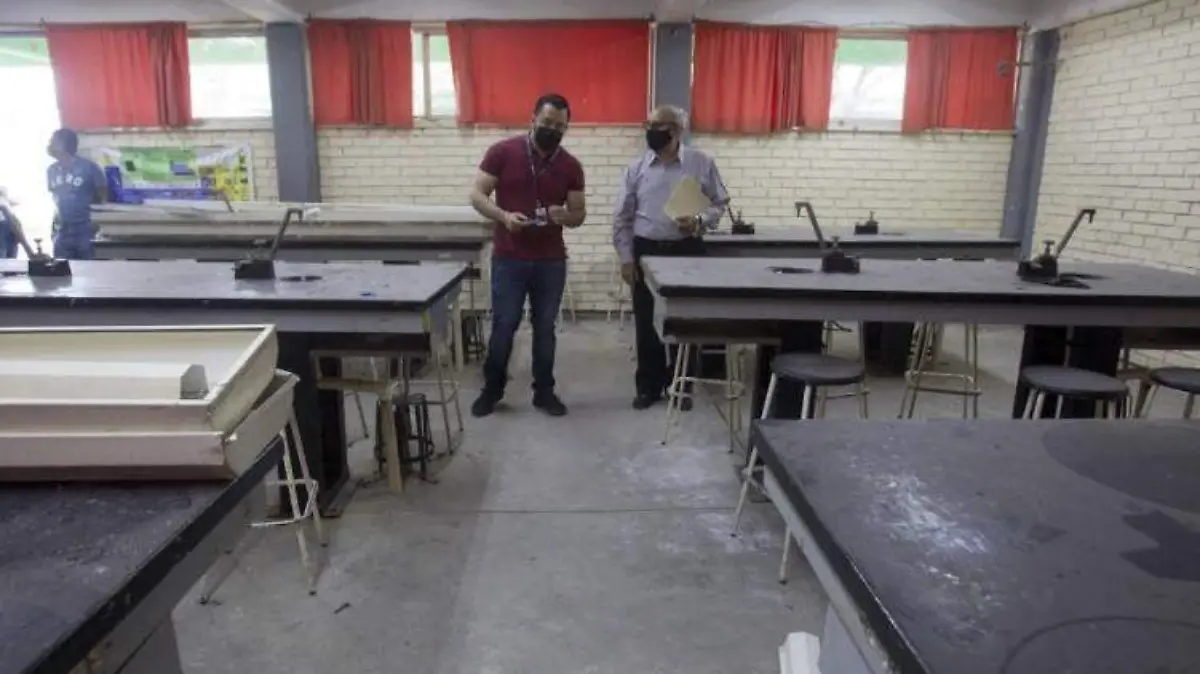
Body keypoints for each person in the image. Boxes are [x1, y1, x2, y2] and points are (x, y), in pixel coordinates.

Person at [468, 93, 587, 418]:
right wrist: (504, 216)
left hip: (551, 260)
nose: (552, 130)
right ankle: (491, 390)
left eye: (560, 126)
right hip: (510, 257)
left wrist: (565, 215)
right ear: (532, 118)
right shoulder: (503, 152)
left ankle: (544, 392)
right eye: (547, 122)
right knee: (504, 324)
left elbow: (579, 214)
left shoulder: (571, 166)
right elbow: (477, 195)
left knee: (545, 327)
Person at [612, 105, 730, 410]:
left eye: (659, 126)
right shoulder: (636, 168)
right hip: (646, 250)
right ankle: (648, 387)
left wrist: (700, 220)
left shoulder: (701, 163)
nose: (651, 131)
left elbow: (719, 202)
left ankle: (681, 386)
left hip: (685, 249)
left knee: (685, 321)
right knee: (646, 322)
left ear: (677, 131)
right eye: (649, 125)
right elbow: (622, 217)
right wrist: (626, 258)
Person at [46, 128, 106, 260]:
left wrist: (98, 224)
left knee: (89, 268)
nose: (49, 145)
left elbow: (103, 197)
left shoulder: (89, 168)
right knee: (62, 268)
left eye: (53, 141)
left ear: (64, 144)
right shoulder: (51, 170)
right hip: (62, 230)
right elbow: (56, 198)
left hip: (86, 229)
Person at [0, 187, 38, 259]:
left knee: (6, 257)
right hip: (9, 224)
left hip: (7, 225)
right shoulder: (5, 204)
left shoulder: (4, 203)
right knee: (9, 257)